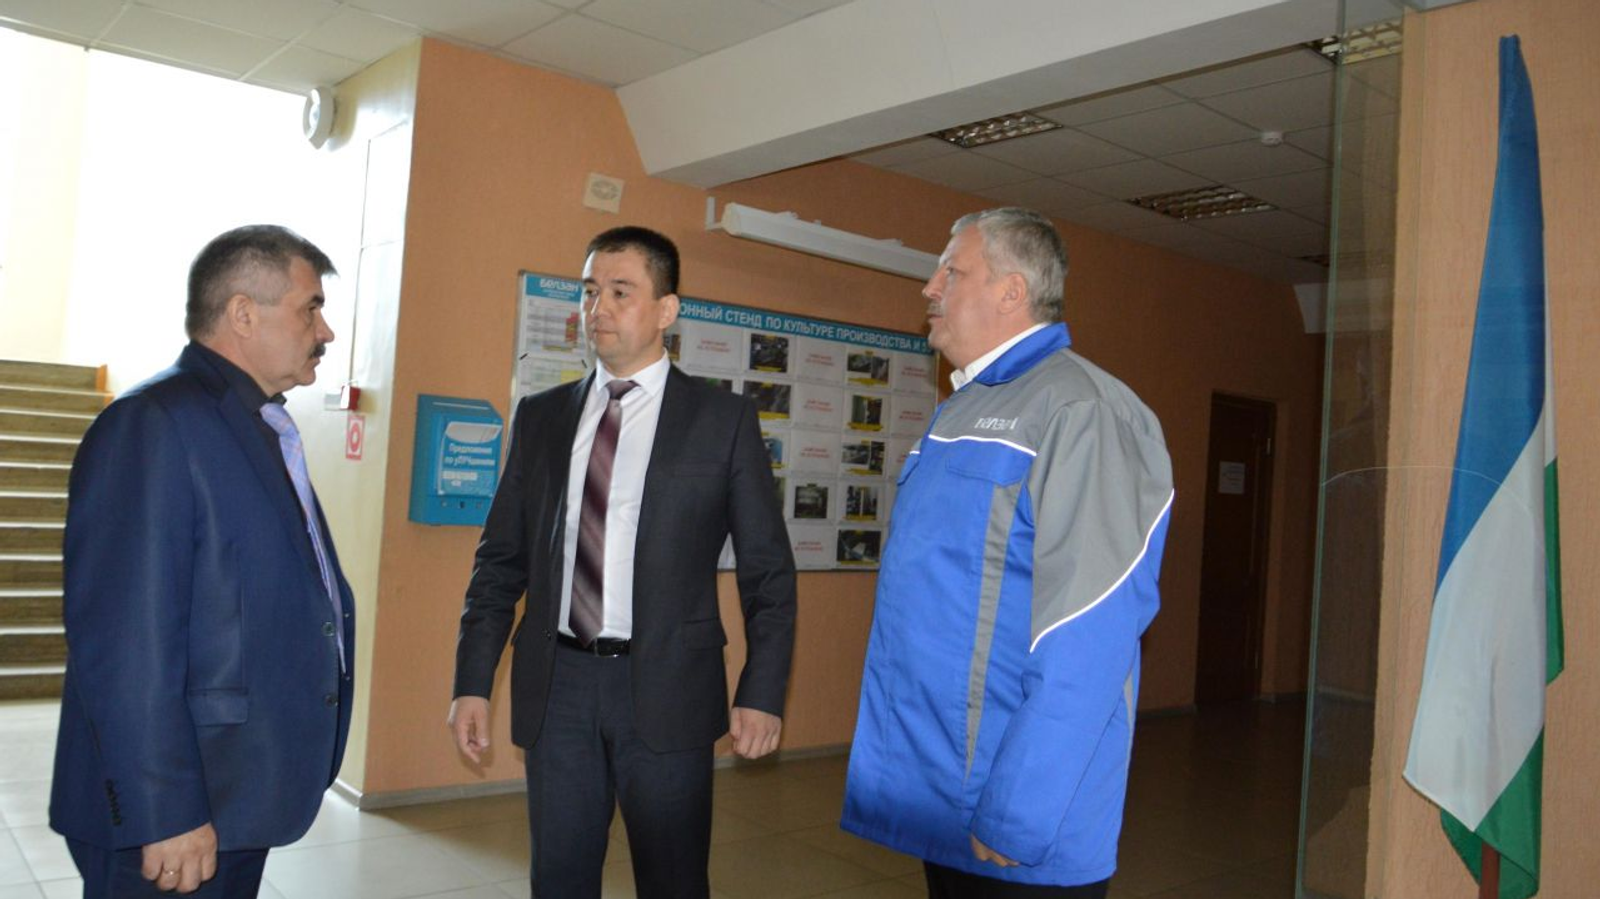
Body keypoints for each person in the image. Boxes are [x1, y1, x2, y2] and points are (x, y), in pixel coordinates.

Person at [448, 226, 797, 898]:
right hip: (560, 687)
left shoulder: (721, 420)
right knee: (559, 879)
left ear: (666, 309)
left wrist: (762, 690)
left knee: (672, 881)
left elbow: (768, 573)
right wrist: (472, 680)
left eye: (619, 291)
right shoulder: (542, 417)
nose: (597, 308)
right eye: (588, 292)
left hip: (669, 690)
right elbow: (499, 563)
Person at [841, 208, 1174, 898]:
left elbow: (1090, 630)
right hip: (945, 795)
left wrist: (1018, 807)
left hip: (1014, 815)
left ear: (1011, 291)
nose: (930, 288)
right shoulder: (961, 408)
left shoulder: (1082, 411)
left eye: (952, 271)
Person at [50, 225, 355, 897]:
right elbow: (123, 641)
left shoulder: (253, 423)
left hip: (234, 792)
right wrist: (166, 808)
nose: (326, 330)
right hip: (175, 813)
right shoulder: (154, 423)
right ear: (243, 313)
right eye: (310, 308)